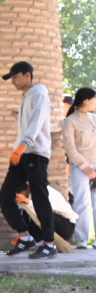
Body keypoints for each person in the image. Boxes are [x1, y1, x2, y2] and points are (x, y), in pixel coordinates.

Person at [0, 61, 57, 258]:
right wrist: (19, 147)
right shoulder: (25, 96)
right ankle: (25, 237)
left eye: (15, 76)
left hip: (36, 153)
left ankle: (49, 243)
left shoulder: (39, 94)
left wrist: (23, 144)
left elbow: (37, 121)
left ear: (27, 75)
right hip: (22, 153)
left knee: (40, 197)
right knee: (5, 196)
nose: (13, 81)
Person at [61, 86, 96, 247]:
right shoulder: (70, 121)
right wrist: (85, 166)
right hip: (80, 167)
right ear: (86, 100)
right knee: (81, 202)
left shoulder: (94, 119)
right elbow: (70, 148)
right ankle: (81, 239)